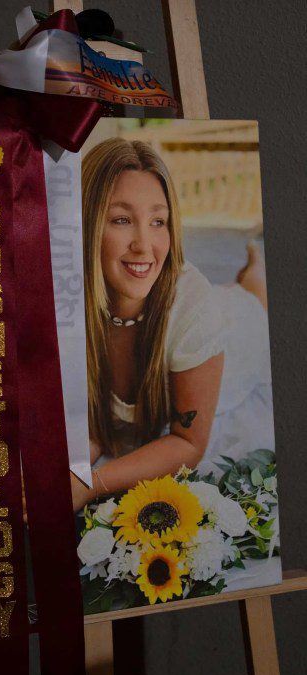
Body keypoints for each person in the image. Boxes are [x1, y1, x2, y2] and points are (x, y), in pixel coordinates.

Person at [72, 137, 272, 511]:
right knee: (226, 294)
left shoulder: (196, 310)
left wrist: (91, 483)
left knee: (252, 301)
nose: (144, 244)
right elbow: (94, 422)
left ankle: (255, 269)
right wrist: (69, 469)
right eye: (121, 220)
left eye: (158, 221)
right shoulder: (70, 301)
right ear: (85, 223)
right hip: (201, 305)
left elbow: (188, 443)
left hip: (236, 334)